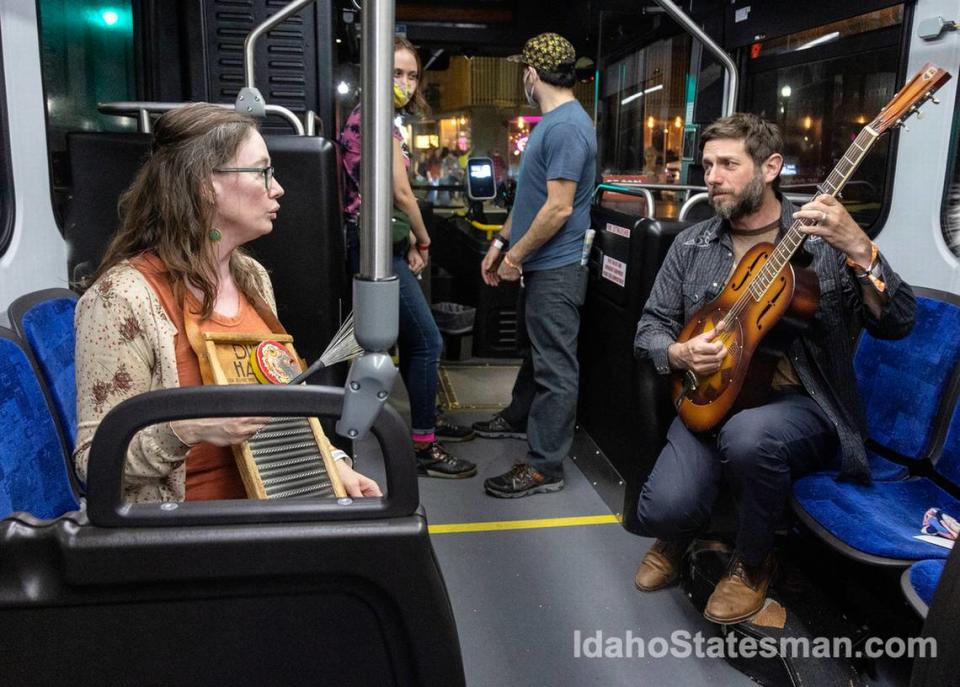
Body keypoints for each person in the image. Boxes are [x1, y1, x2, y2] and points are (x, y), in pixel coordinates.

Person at [632, 113, 916, 624]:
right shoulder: (691, 244)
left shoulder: (824, 243)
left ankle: (753, 563)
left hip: (800, 402)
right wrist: (677, 354)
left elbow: (897, 323)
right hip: (715, 393)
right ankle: (683, 530)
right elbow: (651, 326)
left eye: (728, 164)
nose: (712, 177)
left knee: (749, 436)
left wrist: (858, 246)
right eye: (707, 165)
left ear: (770, 168)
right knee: (660, 509)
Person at [73, 103, 381, 504]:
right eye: (261, 171)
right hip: (184, 533)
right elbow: (93, 462)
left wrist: (335, 463)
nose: (277, 187)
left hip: (266, 511)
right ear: (204, 184)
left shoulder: (251, 278)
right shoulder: (121, 299)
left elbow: (281, 407)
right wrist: (189, 428)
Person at [338, 37, 477, 478]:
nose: (404, 82)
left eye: (411, 75)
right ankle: (422, 445)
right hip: (372, 243)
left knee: (417, 341)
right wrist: (423, 240)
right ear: (376, 75)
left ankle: (425, 424)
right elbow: (400, 193)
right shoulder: (376, 121)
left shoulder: (378, 120)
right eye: (396, 73)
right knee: (427, 341)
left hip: (380, 242)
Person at [474, 33, 597, 498]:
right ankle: (518, 417)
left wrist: (515, 257)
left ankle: (546, 466)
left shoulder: (566, 127)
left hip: (558, 266)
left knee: (555, 368)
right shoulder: (552, 123)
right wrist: (501, 241)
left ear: (531, 73)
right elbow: (533, 200)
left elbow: (559, 209)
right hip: (542, 262)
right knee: (537, 352)